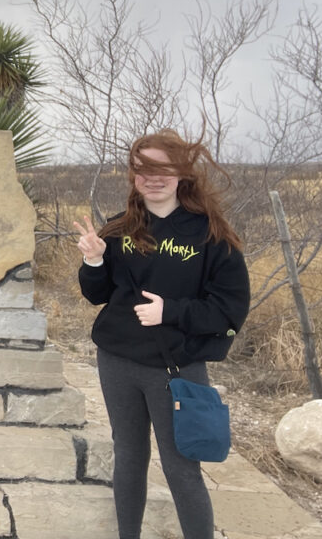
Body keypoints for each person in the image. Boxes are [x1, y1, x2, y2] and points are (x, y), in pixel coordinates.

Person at [73, 129, 250, 539]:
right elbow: (96, 295)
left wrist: (169, 311)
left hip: (176, 367)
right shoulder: (120, 228)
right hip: (117, 361)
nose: (153, 178)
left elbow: (230, 309)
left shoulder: (210, 235)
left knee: (181, 467)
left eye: (163, 169)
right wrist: (95, 260)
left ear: (182, 174)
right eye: (143, 169)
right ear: (133, 175)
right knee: (129, 458)